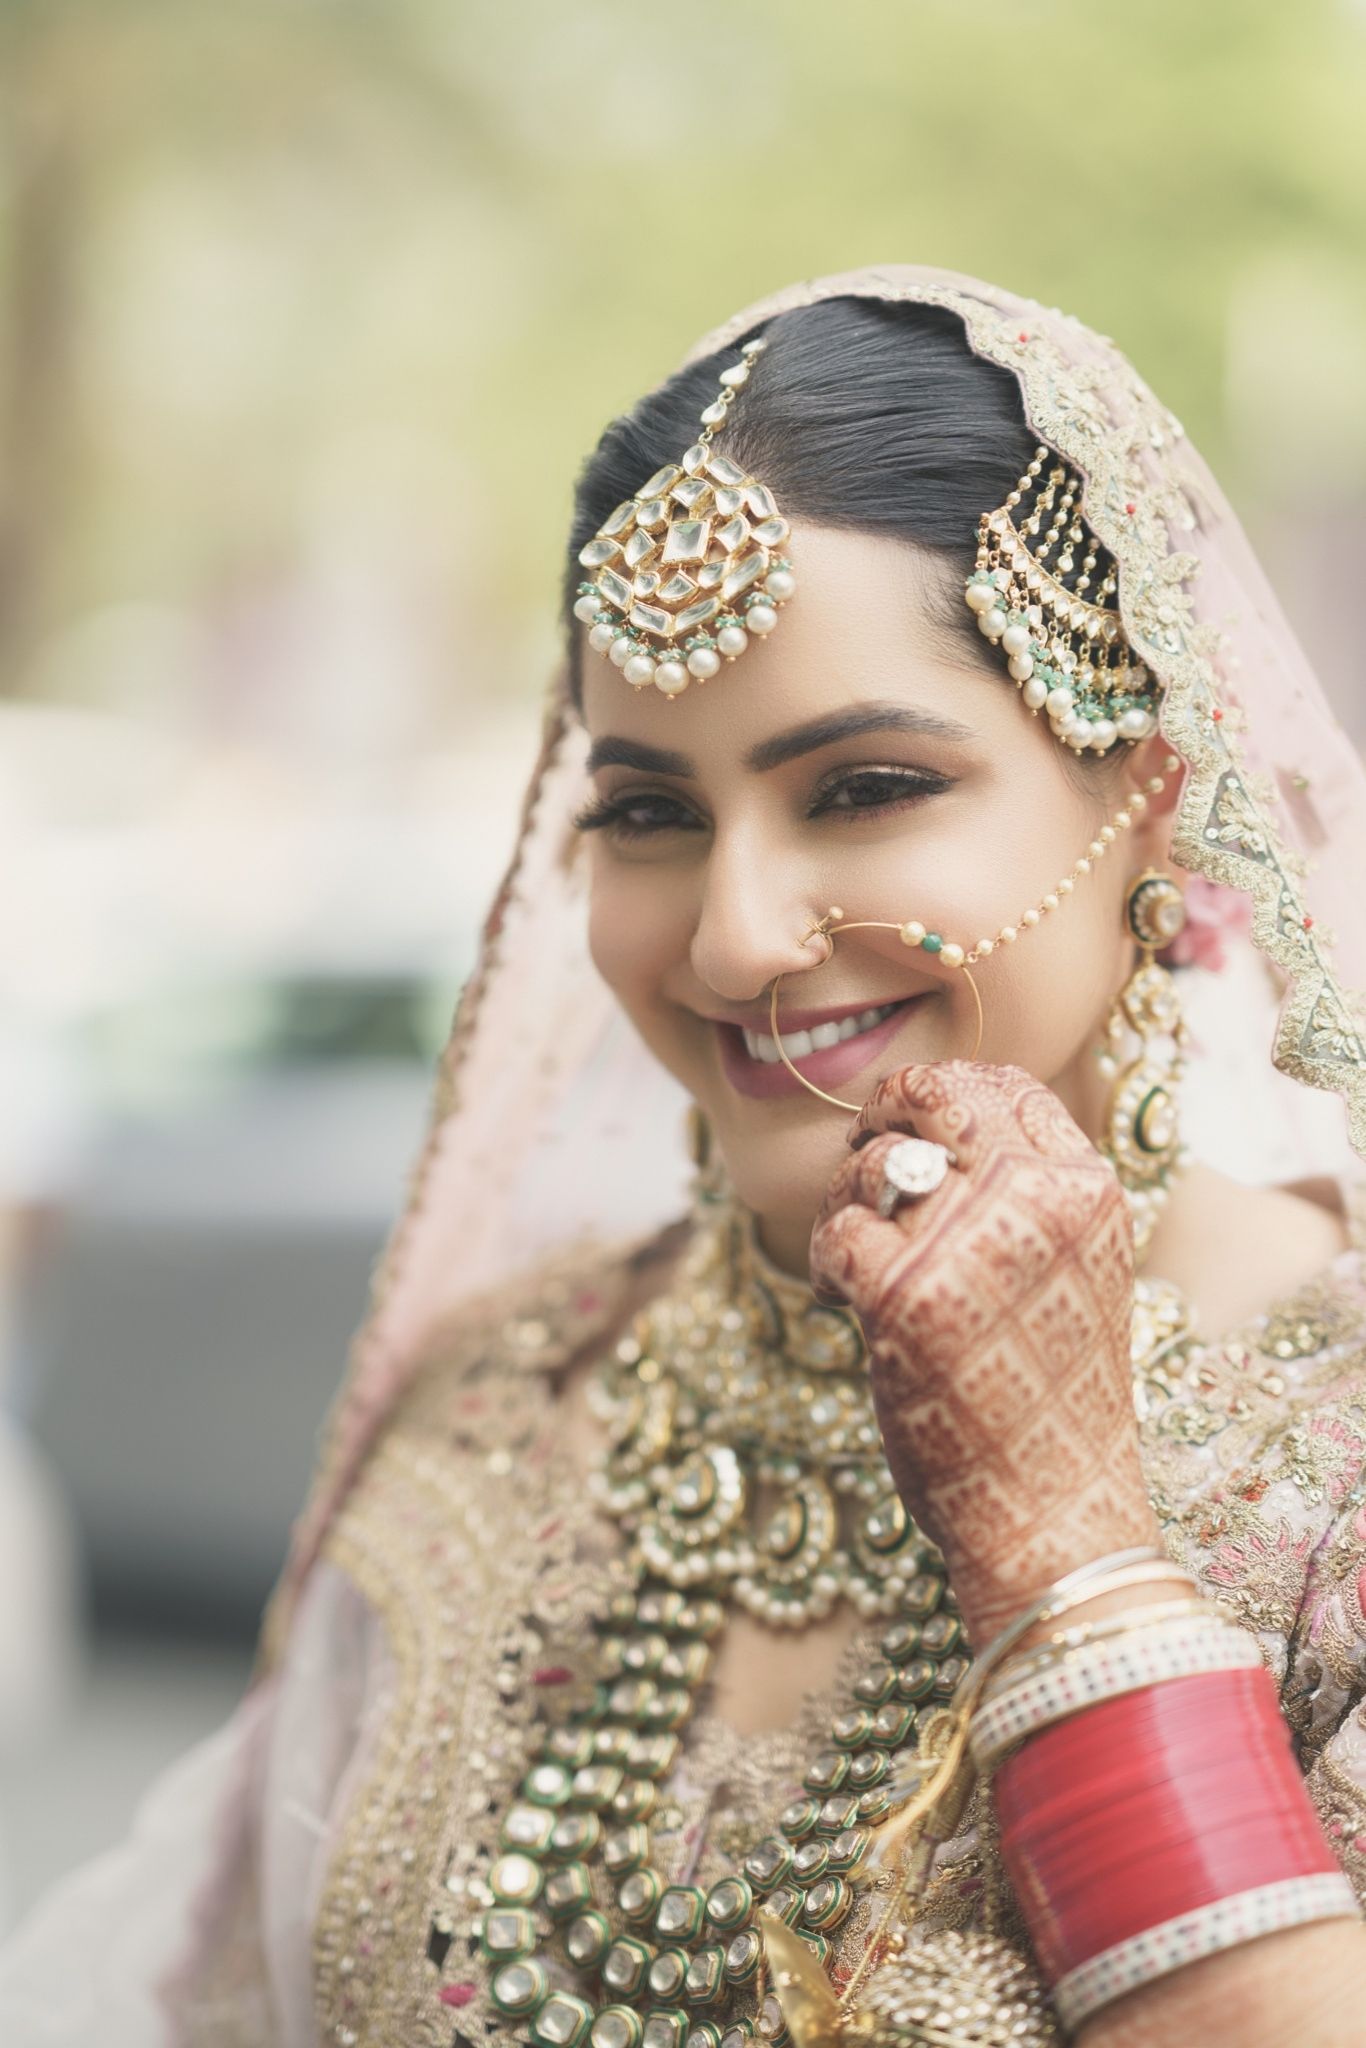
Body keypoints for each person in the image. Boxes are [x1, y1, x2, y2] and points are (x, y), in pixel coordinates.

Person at [4, 264, 1366, 2048]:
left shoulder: (1330, 1473)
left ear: (1153, 791)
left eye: (863, 788)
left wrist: (1067, 1560)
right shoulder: (493, 1407)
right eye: (648, 813)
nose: (729, 940)